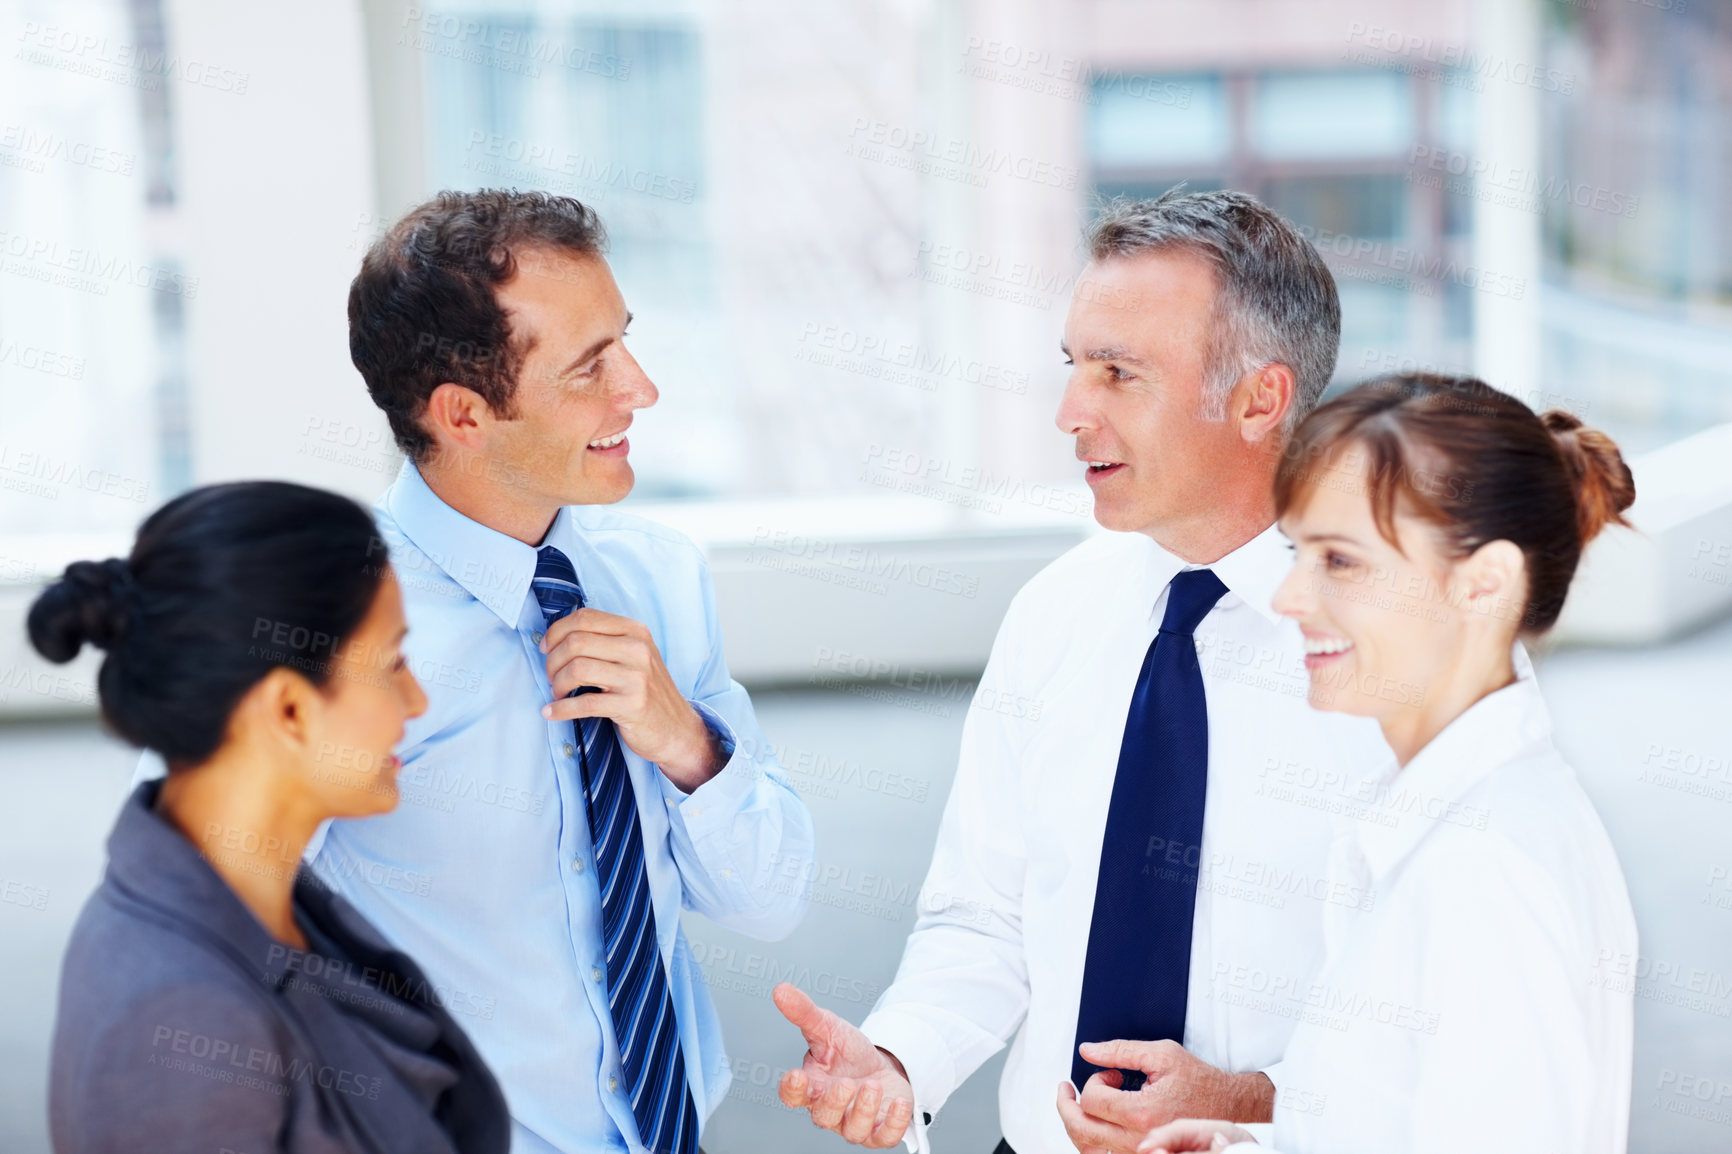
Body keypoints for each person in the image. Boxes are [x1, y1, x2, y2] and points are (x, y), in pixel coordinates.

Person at [138, 189, 817, 1154]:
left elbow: (770, 898)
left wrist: (687, 745)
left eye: (625, 340)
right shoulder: (308, 625)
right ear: (463, 413)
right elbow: (181, 939)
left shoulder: (659, 575)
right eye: (592, 366)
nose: (642, 388)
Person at [772, 190, 1444, 1154]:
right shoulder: (1055, 614)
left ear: (1261, 398)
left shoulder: (1414, 657)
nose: (1069, 412)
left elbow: (1453, 1015)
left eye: (1119, 374)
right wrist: (901, 1060)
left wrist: (1252, 1102)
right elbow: (985, 918)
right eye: (1074, 365)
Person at [1137, 374, 1639, 1154]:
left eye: (1339, 561)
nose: (1288, 598)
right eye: (1296, 552)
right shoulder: (1442, 820)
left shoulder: (1482, 873)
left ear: (1485, 585)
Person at [39, 481, 511, 1154]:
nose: (417, 701)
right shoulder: (184, 1020)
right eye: (393, 663)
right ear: (289, 709)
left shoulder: (278, 910)